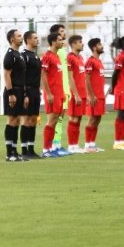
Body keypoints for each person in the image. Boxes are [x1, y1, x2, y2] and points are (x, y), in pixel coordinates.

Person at [2, 29, 28, 161]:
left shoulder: (19, 54)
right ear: (12, 39)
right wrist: (11, 93)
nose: (21, 38)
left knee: (17, 120)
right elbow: (6, 75)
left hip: (19, 90)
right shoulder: (10, 55)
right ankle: (9, 152)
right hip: (12, 91)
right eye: (19, 36)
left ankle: (14, 150)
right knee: (11, 120)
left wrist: (24, 94)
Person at [40, 33, 66, 157]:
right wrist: (48, 93)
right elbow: (43, 75)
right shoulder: (47, 56)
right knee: (51, 121)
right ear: (53, 42)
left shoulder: (57, 56)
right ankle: (46, 149)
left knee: (55, 121)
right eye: (60, 40)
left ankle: (51, 148)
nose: (62, 42)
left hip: (59, 93)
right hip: (52, 94)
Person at [20, 30, 42, 159]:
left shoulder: (35, 56)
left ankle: (31, 149)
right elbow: (22, 76)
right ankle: (24, 150)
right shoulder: (24, 55)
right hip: (27, 91)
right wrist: (25, 94)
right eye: (35, 38)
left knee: (33, 120)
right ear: (28, 40)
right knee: (26, 120)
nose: (37, 40)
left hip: (35, 90)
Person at [50, 24, 70, 154]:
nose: (64, 34)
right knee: (56, 118)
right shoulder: (56, 52)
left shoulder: (63, 51)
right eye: (61, 32)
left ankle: (57, 144)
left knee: (61, 118)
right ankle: (53, 145)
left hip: (65, 88)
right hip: (59, 88)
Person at [65, 35, 87, 154]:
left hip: (82, 93)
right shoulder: (70, 57)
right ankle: (71, 145)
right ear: (73, 44)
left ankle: (76, 144)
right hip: (75, 93)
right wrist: (76, 94)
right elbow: (70, 77)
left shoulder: (81, 58)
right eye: (80, 42)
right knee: (73, 118)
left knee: (78, 119)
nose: (82, 44)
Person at [84, 38, 105, 152]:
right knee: (92, 119)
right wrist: (91, 95)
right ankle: (87, 145)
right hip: (94, 96)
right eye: (99, 44)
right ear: (94, 48)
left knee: (98, 119)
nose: (101, 46)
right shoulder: (90, 61)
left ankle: (92, 144)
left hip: (100, 96)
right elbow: (86, 79)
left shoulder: (99, 62)